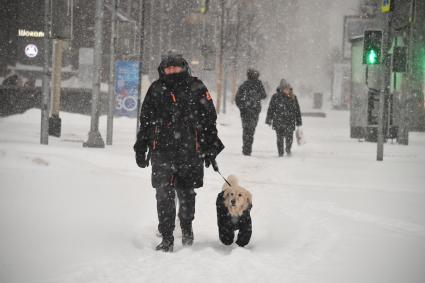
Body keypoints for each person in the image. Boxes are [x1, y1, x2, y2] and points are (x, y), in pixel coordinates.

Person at [134, 54, 224, 252]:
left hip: (190, 151)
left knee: (186, 193)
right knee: (163, 194)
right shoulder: (156, 89)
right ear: (162, 70)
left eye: (176, 68)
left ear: (184, 68)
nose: (172, 72)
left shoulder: (197, 87)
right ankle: (167, 237)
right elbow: (146, 121)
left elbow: (209, 120)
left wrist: (210, 147)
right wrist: (141, 146)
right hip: (162, 151)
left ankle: (186, 227)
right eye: (168, 69)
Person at [265, 79, 302, 157]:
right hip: (279, 121)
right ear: (281, 89)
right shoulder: (275, 97)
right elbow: (271, 109)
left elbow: (297, 110)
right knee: (280, 138)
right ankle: (280, 152)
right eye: (285, 88)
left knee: (289, 138)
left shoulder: (293, 97)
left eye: (288, 88)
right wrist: (269, 119)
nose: (287, 90)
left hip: (290, 121)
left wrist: (299, 121)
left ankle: (288, 149)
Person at [235, 68, 267, 156]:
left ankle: (246, 148)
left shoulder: (244, 85)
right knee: (251, 130)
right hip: (253, 111)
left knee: (246, 130)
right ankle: (247, 148)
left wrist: (242, 107)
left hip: (247, 111)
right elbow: (264, 95)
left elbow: (237, 98)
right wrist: (257, 98)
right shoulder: (258, 85)